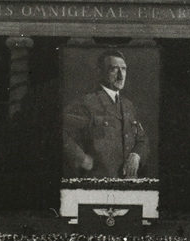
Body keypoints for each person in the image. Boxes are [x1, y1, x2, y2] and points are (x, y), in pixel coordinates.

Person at [62, 49, 149, 179]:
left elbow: (142, 139)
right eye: (114, 69)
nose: (121, 75)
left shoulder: (128, 105)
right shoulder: (87, 103)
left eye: (124, 69)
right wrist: (81, 158)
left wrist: (136, 155)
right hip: (97, 185)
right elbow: (61, 133)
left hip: (129, 185)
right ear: (100, 72)